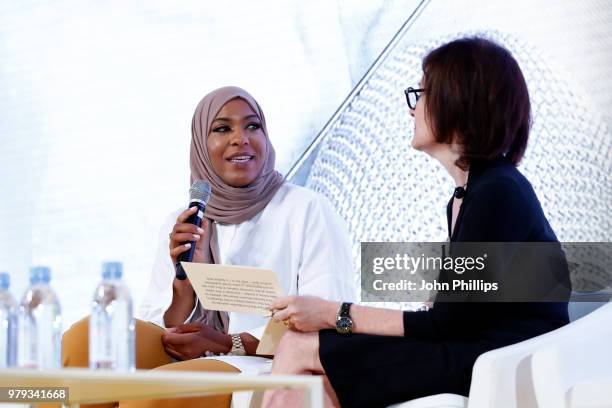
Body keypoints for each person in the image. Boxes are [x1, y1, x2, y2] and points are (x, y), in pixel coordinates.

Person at [262, 37, 570, 408]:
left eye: (421, 94)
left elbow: (447, 322)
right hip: (472, 347)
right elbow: (457, 311)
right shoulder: (476, 192)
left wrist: (332, 313)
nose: (413, 110)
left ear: (457, 100)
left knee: (298, 347)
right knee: (293, 391)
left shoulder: (497, 191)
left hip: (495, 359)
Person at [62, 86, 356, 408]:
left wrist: (228, 341)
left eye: (252, 125)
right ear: (201, 144)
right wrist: (185, 281)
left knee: (156, 391)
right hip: (188, 354)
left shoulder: (306, 208)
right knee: (86, 342)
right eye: (222, 128)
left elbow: (329, 318)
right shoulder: (186, 221)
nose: (241, 138)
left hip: (265, 362)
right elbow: (161, 323)